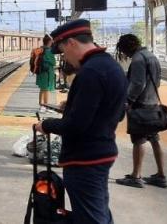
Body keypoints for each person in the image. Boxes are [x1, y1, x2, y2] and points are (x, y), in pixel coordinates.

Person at [35, 19, 127, 224]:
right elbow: (117, 112)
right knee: (99, 214)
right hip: (101, 152)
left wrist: (46, 125)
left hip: (85, 159)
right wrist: (74, 105)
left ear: (71, 43)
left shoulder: (90, 72)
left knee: (90, 219)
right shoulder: (110, 66)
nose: (65, 58)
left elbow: (76, 126)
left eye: (63, 51)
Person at [114, 34, 167, 189]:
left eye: (124, 51)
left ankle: (135, 176)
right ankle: (161, 175)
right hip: (153, 103)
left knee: (138, 140)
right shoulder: (151, 56)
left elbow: (138, 83)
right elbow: (157, 81)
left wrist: (129, 101)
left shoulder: (138, 59)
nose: (125, 55)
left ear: (128, 47)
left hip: (140, 105)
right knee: (154, 139)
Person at [36, 35, 56, 112]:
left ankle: (41, 104)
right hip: (47, 73)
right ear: (49, 42)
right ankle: (46, 106)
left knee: (42, 89)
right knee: (46, 89)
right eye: (51, 41)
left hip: (40, 72)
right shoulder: (49, 51)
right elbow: (53, 62)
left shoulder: (40, 49)